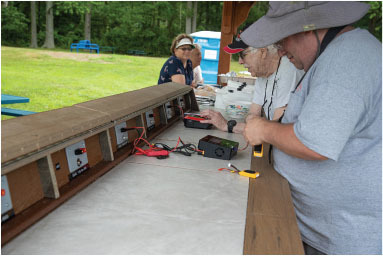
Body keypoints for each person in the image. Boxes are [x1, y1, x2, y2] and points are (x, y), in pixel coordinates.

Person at [239, 1, 381, 254]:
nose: (281, 51)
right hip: (319, 231)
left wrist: (263, 129)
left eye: (282, 40)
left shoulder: (346, 60)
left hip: (344, 241)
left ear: (307, 29)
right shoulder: (340, 55)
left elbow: (314, 142)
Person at [200, 33, 304, 133]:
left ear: (263, 52)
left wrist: (228, 126)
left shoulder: (289, 70)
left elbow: (277, 128)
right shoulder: (262, 72)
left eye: (242, 54)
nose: (240, 61)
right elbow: (253, 113)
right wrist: (250, 126)